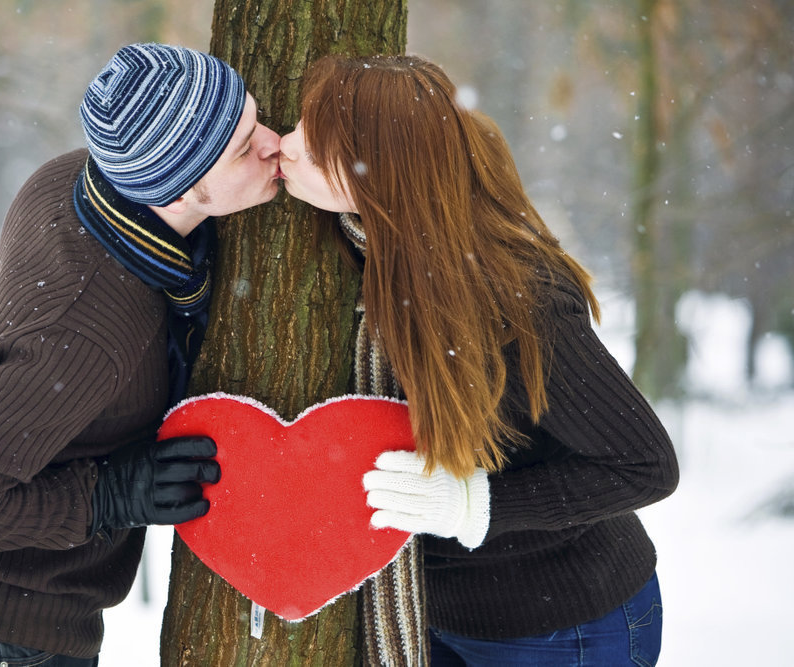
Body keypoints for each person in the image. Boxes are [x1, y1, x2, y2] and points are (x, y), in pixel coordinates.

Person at [0, 43, 281, 665]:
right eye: (242, 147)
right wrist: (109, 496)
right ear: (176, 189)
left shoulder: (80, 179)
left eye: (256, 119)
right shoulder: (87, 332)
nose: (272, 143)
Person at [279, 53, 679, 666]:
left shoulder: (517, 302)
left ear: (378, 177)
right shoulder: (363, 244)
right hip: (428, 614)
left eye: (313, 148)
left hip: (564, 625)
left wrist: (477, 505)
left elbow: (644, 465)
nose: (285, 147)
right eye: (301, 130)